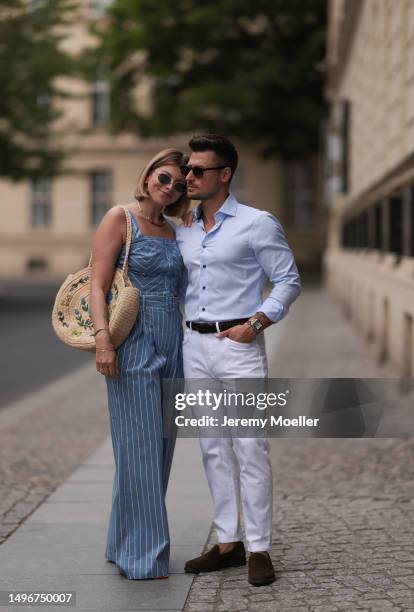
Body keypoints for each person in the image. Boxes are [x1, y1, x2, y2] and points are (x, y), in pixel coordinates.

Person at [175, 134, 301, 586]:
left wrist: (257, 324)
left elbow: (287, 280)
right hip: (195, 346)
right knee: (211, 445)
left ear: (224, 174)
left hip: (239, 345)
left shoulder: (256, 223)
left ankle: (260, 548)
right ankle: (229, 542)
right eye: (187, 170)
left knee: (250, 446)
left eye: (198, 171)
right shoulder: (184, 227)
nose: (188, 177)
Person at [89, 148, 190, 579]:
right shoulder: (120, 218)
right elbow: (97, 284)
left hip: (174, 337)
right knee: (138, 447)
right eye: (164, 177)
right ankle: (145, 555)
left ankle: (120, 539)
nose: (169, 188)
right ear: (148, 175)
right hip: (132, 338)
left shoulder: (172, 229)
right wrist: (103, 342)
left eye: (179, 185)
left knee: (161, 447)